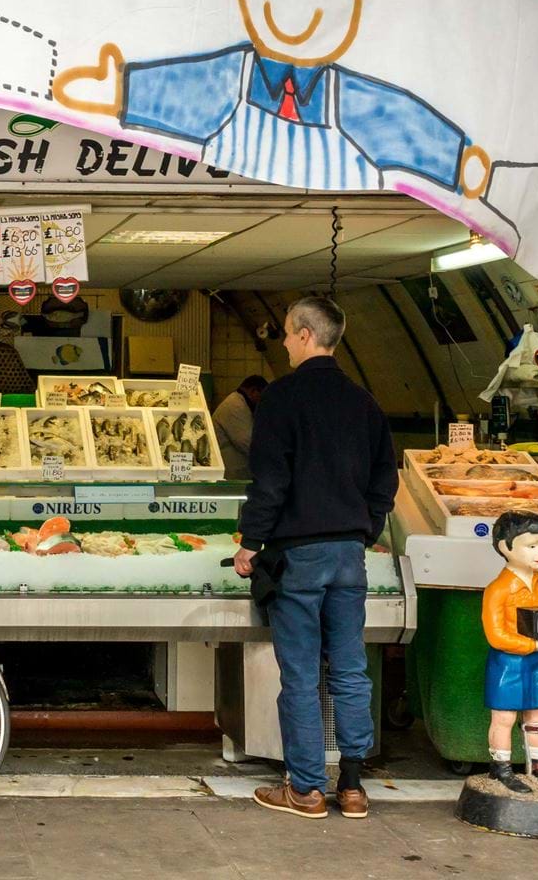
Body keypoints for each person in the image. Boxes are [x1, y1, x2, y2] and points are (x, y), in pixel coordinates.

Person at [236, 295, 398, 822]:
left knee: (302, 675)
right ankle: (352, 787)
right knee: (351, 670)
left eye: (285, 333)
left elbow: (270, 483)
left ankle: (305, 788)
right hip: (350, 555)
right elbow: (384, 482)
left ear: (306, 334)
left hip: (298, 557)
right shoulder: (364, 402)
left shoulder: (281, 400)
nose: (282, 342)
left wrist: (250, 543)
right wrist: (363, 530)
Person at [482, 509, 538, 793]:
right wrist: (530, 644)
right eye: (531, 546)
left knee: (536, 716)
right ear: (505, 547)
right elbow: (495, 634)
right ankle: (501, 767)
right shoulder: (498, 589)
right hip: (510, 662)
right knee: (505, 716)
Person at [212, 374, 269, 473]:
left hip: (236, 472)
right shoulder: (235, 406)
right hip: (231, 474)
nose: (262, 402)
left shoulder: (239, 403)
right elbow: (248, 444)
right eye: (262, 397)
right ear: (253, 391)